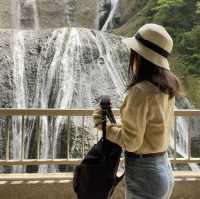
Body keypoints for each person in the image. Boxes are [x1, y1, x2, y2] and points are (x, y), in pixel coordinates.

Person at [92, 23, 184, 199]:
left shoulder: (140, 91)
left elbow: (132, 142)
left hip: (145, 175)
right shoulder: (166, 87)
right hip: (163, 168)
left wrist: (103, 125)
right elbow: (148, 128)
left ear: (140, 57)